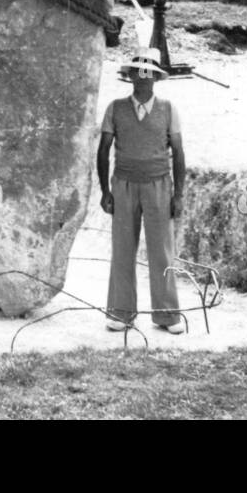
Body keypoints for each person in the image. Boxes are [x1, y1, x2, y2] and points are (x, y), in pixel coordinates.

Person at [97, 47, 185, 333]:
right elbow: (103, 150)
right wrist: (104, 191)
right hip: (123, 185)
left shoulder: (169, 109)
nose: (143, 77)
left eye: (149, 72)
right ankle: (120, 313)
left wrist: (179, 194)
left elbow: (179, 154)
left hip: (159, 184)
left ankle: (167, 315)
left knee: (161, 251)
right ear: (131, 76)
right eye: (139, 71)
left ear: (156, 78)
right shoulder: (115, 108)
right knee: (123, 250)